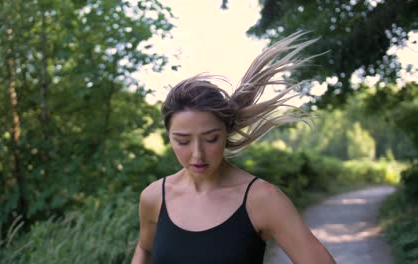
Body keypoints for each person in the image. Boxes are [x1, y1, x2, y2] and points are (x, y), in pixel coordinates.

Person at [131, 32, 336, 264]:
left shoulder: (262, 199)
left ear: (226, 133)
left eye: (210, 139)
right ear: (168, 135)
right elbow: (144, 250)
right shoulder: (153, 197)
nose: (197, 154)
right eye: (183, 141)